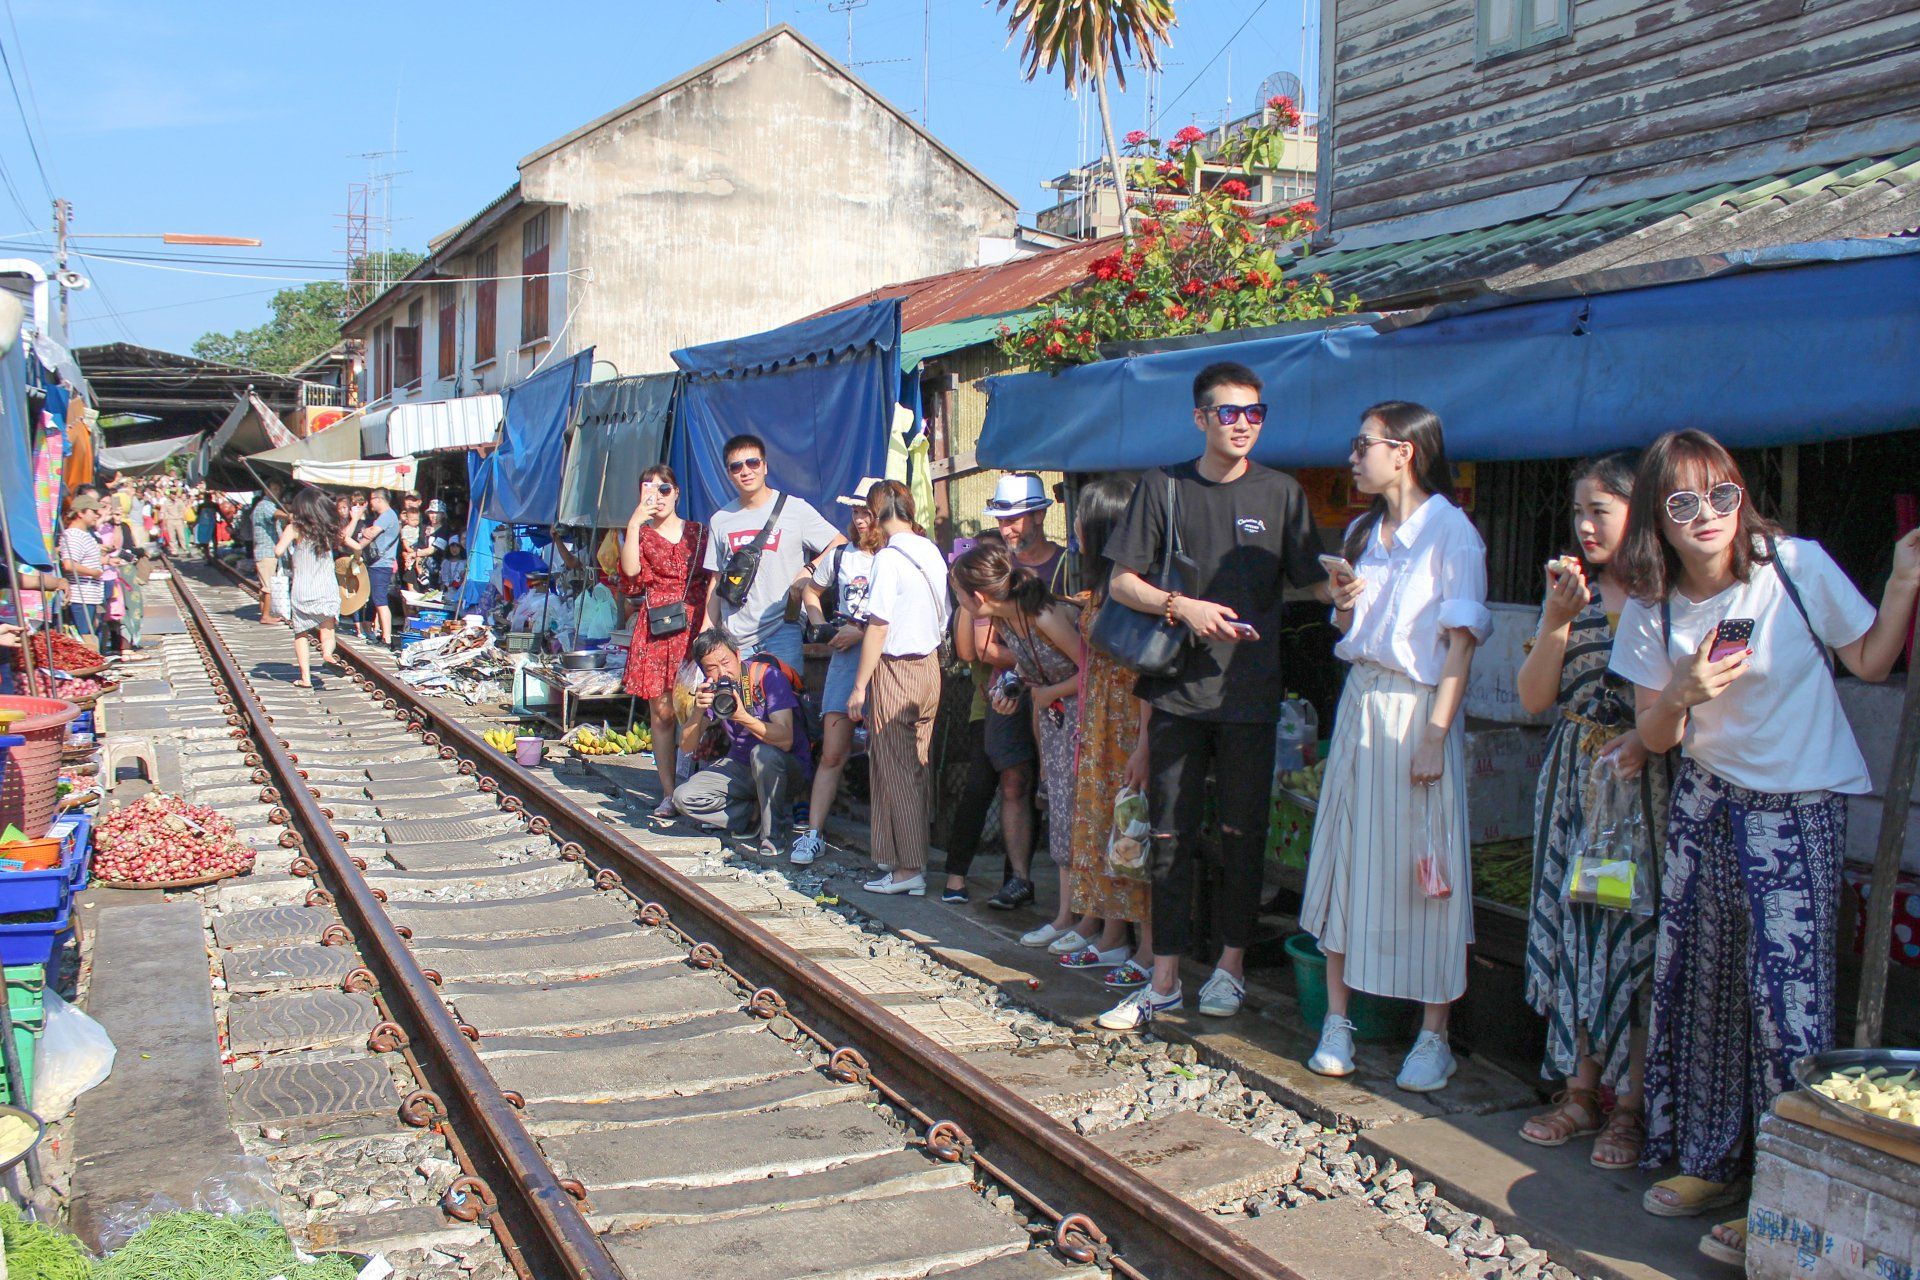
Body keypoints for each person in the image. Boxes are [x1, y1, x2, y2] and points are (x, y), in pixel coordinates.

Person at [1607, 430, 1919, 1263]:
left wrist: (1901, 584)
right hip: (1708, 802)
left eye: (1722, 495)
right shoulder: (1652, 602)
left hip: (1798, 804)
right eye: (1682, 502)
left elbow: (1871, 660)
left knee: (1788, 1004)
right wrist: (1680, 689)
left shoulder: (1793, 566)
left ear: (1741, 497)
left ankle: (1782, 1187)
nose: (1706, 515)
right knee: (1704, 989)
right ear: (1657, 520)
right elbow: (1654, 735)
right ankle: (1713, 1162)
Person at [1095, 361, 1330, 1033]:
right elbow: (1121, 583)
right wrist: (1184, 607)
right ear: (1201, 419)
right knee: (1168, 835)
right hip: (1176, 690)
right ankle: (1162, 979)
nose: (1244, 425)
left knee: (1241, 834)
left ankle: (1229, 966)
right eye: (1230, 413)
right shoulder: (1162, 486)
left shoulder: (1281, 492)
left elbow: (1310, 580)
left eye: (1255, 413)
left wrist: (1348, 584)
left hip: (1252, 692)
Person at [1301, 401, 1490, 1092]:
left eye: (1363, 445)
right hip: (1361, 700)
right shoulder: (1362, 531)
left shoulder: (1452, 535)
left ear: (1404, 452)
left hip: (1418, 708)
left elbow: (1460, 646)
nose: (1353, 458)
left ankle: (1433, 1034)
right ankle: (1338, 1021)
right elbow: (1347, 625)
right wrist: (1344, 596)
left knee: (1426, 864)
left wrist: (1436, 736)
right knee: (1347, 854)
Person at [1514, 452, 1672, 1167]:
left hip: (1648, 790)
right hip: (1576, 788)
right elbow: (1533, 698)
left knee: (1635, 940)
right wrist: (1555, 617)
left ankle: (1631, 1106)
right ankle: (1579, 1091)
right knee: (1576, 928)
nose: (1585, 525)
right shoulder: (1570, 594)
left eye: (1599, 510)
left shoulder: (1670, 595)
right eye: (1578, 511)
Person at [949, 540, 1084, 939]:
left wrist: (1048, 694)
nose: (958, 603)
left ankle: (1085, 920)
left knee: (1079, 815)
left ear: (977, 596)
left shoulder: (1041, 614)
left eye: (958, 596)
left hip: (1083, 721)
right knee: (1060, 812)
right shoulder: (1008, 620)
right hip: (1054, 723)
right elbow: (1029, 670)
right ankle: (1066, 917)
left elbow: (1095, 671)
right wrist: (1011, 689)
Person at [1062, 476, 1155, 988]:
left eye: (1080, 517)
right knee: (1107, 830)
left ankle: (1147, 947)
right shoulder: (1099, 589)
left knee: (1133, 833)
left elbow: (1146, 674)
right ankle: (1113, 935)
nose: (1072, 527)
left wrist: (1144, 741)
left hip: (1127, 724)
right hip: (1098, 724)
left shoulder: (1131, 592)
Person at [967, 473, 1068, 910]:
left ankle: (1074, 903)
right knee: (1014, 780)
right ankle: (1020, 879)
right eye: (1003, 518)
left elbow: (1081, 649)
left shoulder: (1066, 566)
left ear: (1041, 514)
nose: (1009, 528)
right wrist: (1018, 677)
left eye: (1018, 518)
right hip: (1016, 688)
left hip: (1064, 692)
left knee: (1064, 790)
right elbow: (986, 646)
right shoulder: (999, 569)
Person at [847, 480, 951, 896]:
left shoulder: (888, 559)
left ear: (875, 514)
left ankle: (909, 869)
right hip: (930, 668)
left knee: (895, 767)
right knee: (915, 767)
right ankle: (897, 857)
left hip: (896, 668)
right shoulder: (930, 550)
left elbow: (879, 624)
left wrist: (859, 686)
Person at [939, 530, 1041, 905]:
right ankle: (955, 875)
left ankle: (1016, 881)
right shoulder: (978, 604)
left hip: (1033, 701)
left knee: (1026, 787)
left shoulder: (1020, 599)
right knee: (980, 788)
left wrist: (1029, 662)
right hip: (989, 705)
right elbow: (972, 651)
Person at [791, 481, 885, 867]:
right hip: (845, 656)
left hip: (884, 654)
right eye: (855, 513)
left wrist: (860, 631)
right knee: (833, 751)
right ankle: (813, 833)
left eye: (867, 513)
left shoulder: (893, 555)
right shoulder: (841, 556)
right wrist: (820, 625)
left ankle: (887, 843)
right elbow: (810, 591)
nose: (860, 520)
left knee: (885, 753)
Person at [701, 434, 843, 669]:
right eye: (736, 466)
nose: (745, 471)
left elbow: (838, 544)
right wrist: (706, 628)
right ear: (729, 474)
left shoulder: (795, 509)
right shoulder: (720, 520)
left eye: (752, 463)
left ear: (765, 467)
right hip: (735, 637)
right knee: (741, 705)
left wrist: (810, 569)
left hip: (782, 630)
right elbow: (717, 580)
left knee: (784, 703)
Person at [620, 465, 713, 817]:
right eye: (650, 489)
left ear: (677, 493)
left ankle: (697, 784)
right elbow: (630, 575)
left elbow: (716, 577)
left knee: (696, 705)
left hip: (694, 623)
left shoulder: (700, 533)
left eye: (665, 489)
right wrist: (633, 524)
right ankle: (669, 791)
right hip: (657, 626)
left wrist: (709, 623)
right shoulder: (640, 536)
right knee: (661, 712)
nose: (657, 496)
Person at [672, 628, 812, 858]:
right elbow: (686, 747)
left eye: (726, 662)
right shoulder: (714, 689)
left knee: (762, 754)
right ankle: (752, 814)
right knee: (683, 797)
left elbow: (786, 740)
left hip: (786, 768)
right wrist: (697, 712)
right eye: (711, 668)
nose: (722, 672)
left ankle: (773, 836)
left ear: (738, 655)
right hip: (742, 766)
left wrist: (742, 717)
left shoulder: (767, 677)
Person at [276, 488, 346, 688]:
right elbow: (354, 545)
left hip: (302, 589)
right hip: (326, 588)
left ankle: (305, 678)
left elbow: (278, 550)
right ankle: (327, 654)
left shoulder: (295, 529)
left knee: (300, 633)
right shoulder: (329, 529)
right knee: (327, 630)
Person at [347, 488, 401, 649]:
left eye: (371, 500)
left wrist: (363, 533)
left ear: (378, 499)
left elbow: (371, 534)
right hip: (376, 563)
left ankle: (387, 638)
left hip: (382, 564)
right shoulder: (385, 517)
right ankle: (372, 632)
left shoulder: (387, 516)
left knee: (380, 600)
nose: (370, 503)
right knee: (372, 599)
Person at [58, 496, 109, 642]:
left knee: (89, 635)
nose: (97, 515)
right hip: (81, 596)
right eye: (93, 511)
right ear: (80, 513)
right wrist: (94, 572)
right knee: (83, 638)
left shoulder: (82, 534)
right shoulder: (74, 535)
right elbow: (69, 564)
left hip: (89, 595)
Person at [251, 480, 287, 624]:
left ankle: (263, 611)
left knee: (264, 585)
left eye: (278, 490)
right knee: (267, 586)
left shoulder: (262, 506)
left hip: (262, 551)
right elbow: (276, 513)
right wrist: (289, 516)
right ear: (267, 490)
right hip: (267, 551)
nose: (277, 493)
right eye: (275, 489)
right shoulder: (265, 506)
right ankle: (266, 616)